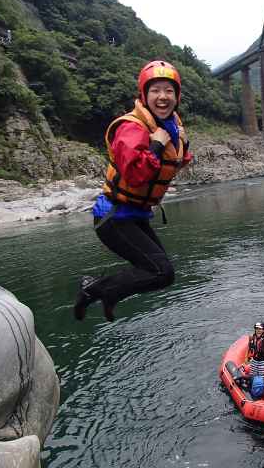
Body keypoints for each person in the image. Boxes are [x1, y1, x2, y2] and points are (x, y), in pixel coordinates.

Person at [73, 60, 192, 322]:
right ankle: (93, 289)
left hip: (134, 215)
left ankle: (106, 291)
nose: (163, 96)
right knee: (162, 272)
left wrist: (182, 142)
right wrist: (157, 147)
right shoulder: (132, 128)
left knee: (159, 272)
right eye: (156, 90)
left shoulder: (170, 126)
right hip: (113, 217)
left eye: (169, 91)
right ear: (144, 95)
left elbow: (174, 163)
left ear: (177, 96)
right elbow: (137, 175)